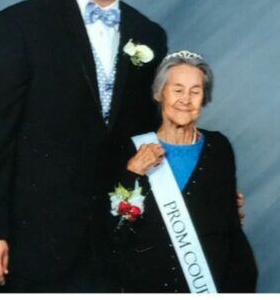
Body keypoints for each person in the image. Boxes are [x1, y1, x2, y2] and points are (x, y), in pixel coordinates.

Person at [0, 0, 168, 292]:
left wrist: (210, 194)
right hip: (32, 244)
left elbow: (153, 139)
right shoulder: (21, 24)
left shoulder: (150, 35)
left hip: (113, 242)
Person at [108, 51, 257, 292]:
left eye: (195, 91)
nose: (186, 99)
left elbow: (230, 232)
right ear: (159, 93)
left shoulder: (219, 148)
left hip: (210, 286)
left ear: (203, 98)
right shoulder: (130, 149)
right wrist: (133, 172)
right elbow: (112, 233)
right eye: (177, 90)